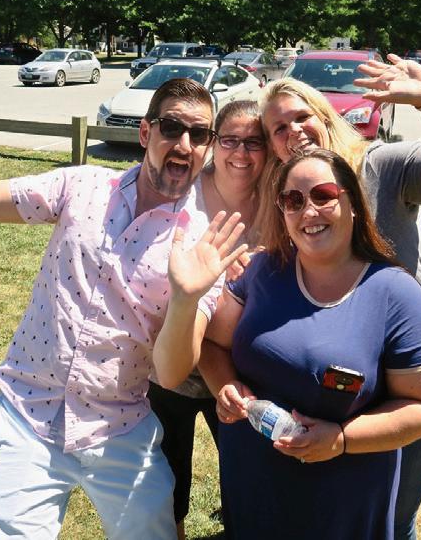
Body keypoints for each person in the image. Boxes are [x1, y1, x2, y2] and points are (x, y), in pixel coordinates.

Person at [0, 14, 246, 540]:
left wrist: (187, 298)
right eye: (171, 127)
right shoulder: (82, 187)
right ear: (146, 132)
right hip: (28, 412)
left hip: (119, 427)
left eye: (199, 134)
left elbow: (169, 374)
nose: (184, 143)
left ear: (207, 149)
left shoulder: (203, 247)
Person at [254, 61, 421, 539]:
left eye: (302, 117)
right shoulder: (286, 197)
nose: (294, 132)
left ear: (325, 116)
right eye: (278, 129)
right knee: (350, 507)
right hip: (348, 376)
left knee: (392, 516)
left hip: (417, 373)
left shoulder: (380, 167)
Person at [158, 148, 421, 539]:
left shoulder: (392, 292)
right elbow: (214, 345)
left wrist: (342, 440)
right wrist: (224, 385)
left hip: (341, 503)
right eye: (293, 200)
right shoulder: (262, 271)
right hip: (252, 487)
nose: (308, 211)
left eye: (323, 195)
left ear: (353, 204)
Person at [147, 100, 266, 540]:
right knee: (167, 477)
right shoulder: (185, 193)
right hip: (170, 366)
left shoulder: (279, 199)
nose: (241, 152)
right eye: (230, 140)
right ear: (214, 143)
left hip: (235, 368)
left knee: (248, 474)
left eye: (254, 141)